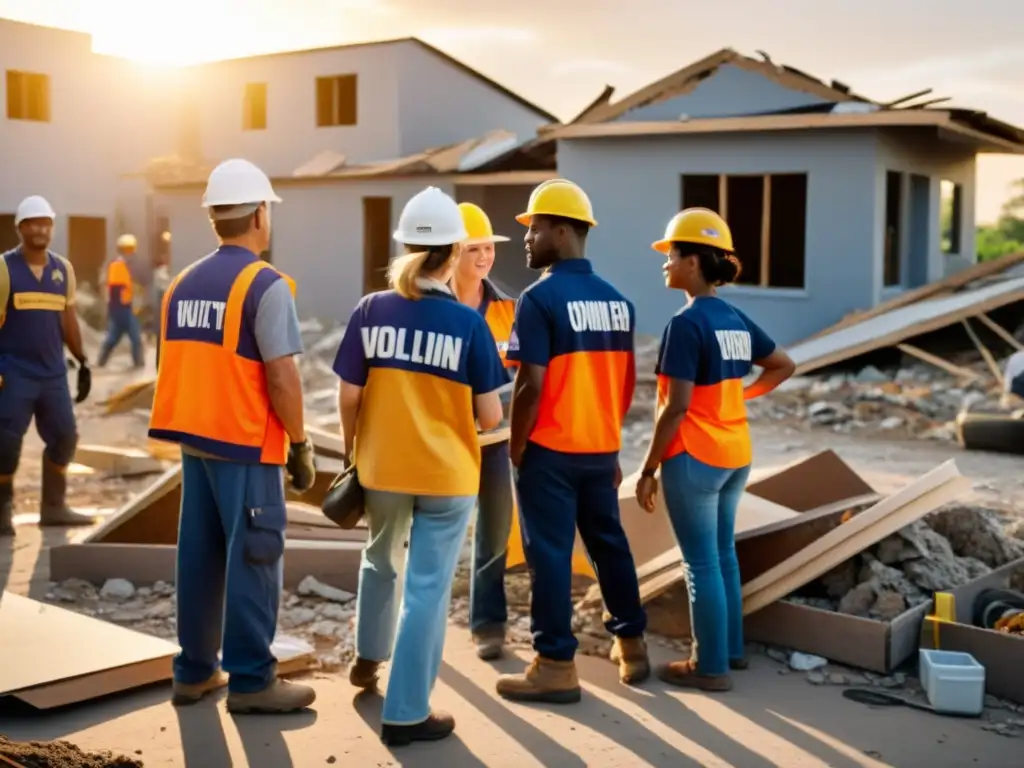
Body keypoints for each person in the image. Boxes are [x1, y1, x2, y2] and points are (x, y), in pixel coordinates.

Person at [334, 187, 506, 746]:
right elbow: (488, 417)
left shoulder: (370, 310)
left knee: (379, 560)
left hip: (381, 469)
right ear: (454, 254)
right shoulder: (468, 325)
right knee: (427, 590)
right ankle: (408, 711)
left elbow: (348, 395)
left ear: (405, 244)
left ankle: (367, 659)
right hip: (447, 478)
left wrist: (352, 451)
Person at [148, 158, 318, 713]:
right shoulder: (263, 284)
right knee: (254, 558)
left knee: (198, 558)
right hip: (245, 445)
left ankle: (194, 672)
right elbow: (282, 375)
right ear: (260, 215)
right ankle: (251, 682)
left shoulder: (180, 284)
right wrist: (301, 443)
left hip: (195, 444)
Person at [497, 179, 649, 704]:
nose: (527, 237)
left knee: (552, 555)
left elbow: (530, 383)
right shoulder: (619, 304)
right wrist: (610, 446)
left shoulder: (539, 299)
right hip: (599, 449)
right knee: (611, 546)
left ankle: (555, 664)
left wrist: (517, 447)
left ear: (562, 232)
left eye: (535, 227)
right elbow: (622, 387)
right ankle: (632, 645)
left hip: (551, 451)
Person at [635, 207, 795, 692]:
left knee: (700, 563)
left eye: (671, 254)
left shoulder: (685, 324)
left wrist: (647, 468)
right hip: (735, 453)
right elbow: (782, 365)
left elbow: (675, 408)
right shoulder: (733, 317)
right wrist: (737, 396)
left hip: (696, 457)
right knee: (722, 555)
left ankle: (709, 668)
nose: (664, 263)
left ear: (694, 261)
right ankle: (730, 652)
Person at [0, 195, 94, 538]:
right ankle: (1, 509)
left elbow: (68, 319)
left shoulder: (62, 270)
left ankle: (53, 508)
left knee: (65, 437)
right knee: (5, 442)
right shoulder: (4, 269)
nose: (41, 229)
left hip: (53, 373)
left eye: (46, 224)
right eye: (34, 223)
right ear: (20, 228)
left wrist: (82, 361)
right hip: (14, 372)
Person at [450, 201, 517, 660]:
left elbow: (520, 375)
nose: (484, 256)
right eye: (473, 248)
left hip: (495, 443)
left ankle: (487, 624)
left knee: (494, 533)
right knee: (429, 533)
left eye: (489, 247)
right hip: (442, 441)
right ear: (451, 251)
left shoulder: (509, 309)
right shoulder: (430, 306)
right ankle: (414, 620)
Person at [97, 234, 144, 369]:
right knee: (133, 337)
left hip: (122, 307)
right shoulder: (117, 265)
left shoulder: (124, 265)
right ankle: (138, 363)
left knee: (114, 337)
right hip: (121, 307)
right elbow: (113, 288)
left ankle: (102, 361)